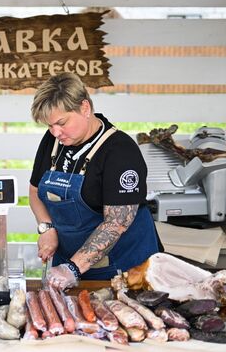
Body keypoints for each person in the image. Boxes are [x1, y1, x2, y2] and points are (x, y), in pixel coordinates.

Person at [29, 72, 161, 290]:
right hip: (69, 263)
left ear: (85, 108)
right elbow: (34, 192)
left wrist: (72, 268)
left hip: (124, 267)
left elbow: (115, 224)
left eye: (61, 123)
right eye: (49, 125)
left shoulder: (119, 151)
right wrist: (47, 228)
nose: (55, 132)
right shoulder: (52, 140)